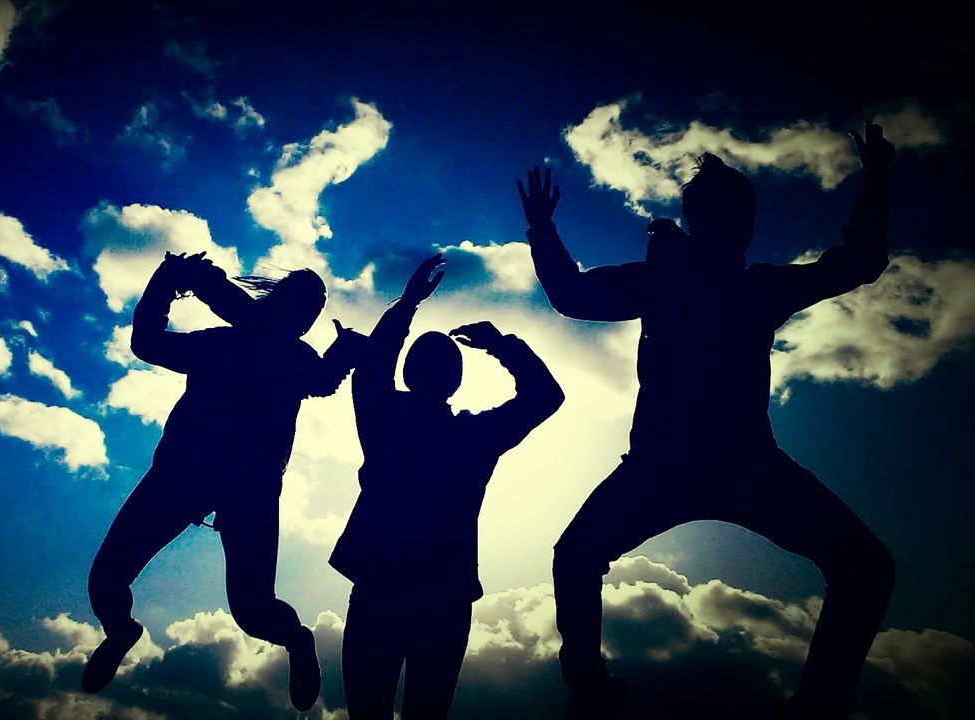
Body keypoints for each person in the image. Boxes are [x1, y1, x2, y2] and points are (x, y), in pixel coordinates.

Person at [520, 123, 896, 718]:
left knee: (868, 569)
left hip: (724, 465)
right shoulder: (687, 283)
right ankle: (593, 693)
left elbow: (857, 263)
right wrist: (542, 231)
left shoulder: (739, 287)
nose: (737, 231)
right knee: (575, 556)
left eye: (740, 219)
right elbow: (573, 295)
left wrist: (876, 185)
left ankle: (816, 702)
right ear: (707, 224)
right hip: (688, 467)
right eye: (726, 219)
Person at [82, 251, 365, 711]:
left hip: (246, 493)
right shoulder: (228, 342)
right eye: (305, 308)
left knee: (254, 610)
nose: (309, 320)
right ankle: (121, 632)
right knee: (105, 580)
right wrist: (164, 285)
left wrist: (346, 350)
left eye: (315, 314)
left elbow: (322, 380)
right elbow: (148, 344)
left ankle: (297, 640)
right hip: (179, 477)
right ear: (281, 304)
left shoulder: (294, 357)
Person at [330, 254, 565, 718]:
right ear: (455, 381)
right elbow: (546, 396)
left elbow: (374, 364)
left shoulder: (384, 418)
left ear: (409, 373)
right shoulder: (474, 436)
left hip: (382, 584)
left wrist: (408, 303)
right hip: (443, 594)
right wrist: (502, 346)